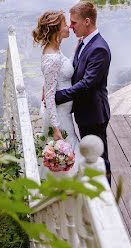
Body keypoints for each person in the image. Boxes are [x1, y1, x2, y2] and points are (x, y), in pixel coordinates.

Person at [55, 0, 112, 183]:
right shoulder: (83, 43)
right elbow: (73, 71)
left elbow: (87, 83)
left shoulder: (99, 49)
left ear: (87, 21)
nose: (71, 27)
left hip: (94, 115)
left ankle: (107, 198)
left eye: (74, 22)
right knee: (89, 156)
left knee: (100, 159)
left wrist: (60, 96)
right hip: (83, 112)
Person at [32, 10, 79, 168]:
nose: (69, 27)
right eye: (65, 24)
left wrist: (78, 48)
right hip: (59, 117)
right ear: (56, 30)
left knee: (66, 158)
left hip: (63, 113)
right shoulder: (51, 58)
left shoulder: (55, 49)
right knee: (64, 156)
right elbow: (50, 96)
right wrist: (56, 129)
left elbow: (60, 71)